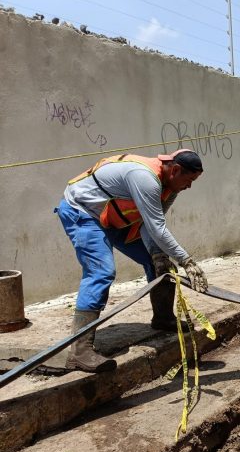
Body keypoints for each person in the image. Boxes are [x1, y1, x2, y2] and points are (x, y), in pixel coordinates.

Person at [55, 149, 209, 372]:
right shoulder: (145, 178)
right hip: (83, 212)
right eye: (189, 180)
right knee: (101, 272)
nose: (190, 186)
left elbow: (150, 225)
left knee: (161, 263)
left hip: (113, 217)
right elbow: (158, 227)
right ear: (175, 170)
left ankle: (163, 318)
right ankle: (79, 352)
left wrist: (158, 255)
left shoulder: (171, 187)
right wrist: (187, 261)